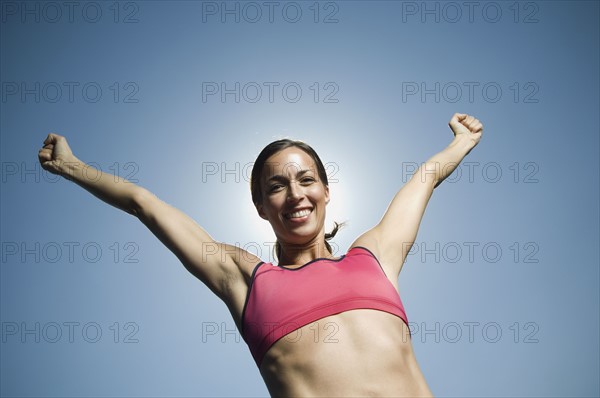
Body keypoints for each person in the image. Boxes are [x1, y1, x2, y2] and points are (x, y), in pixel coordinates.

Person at [38, 113, 483, 397]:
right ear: (261, 207)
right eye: (276, 186)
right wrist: (71, 166)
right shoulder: (246, 279)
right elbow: (145, 204)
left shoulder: (374, 255)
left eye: (306, 180)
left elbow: (424, 180)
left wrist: (461, 142)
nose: (295, 194)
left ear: (326, 191)